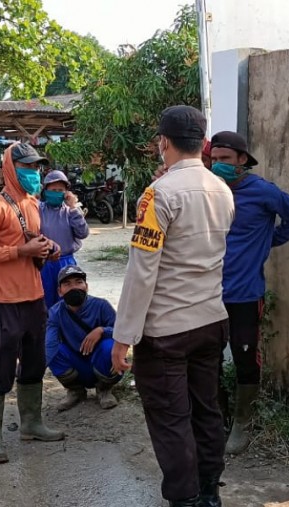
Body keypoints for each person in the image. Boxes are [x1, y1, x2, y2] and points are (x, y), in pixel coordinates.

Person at [111, 106, 234, 507]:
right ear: (204, 144)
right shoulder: (223, 190)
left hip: (166, 332)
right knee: (206, 410)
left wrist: (122, 338)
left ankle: (185, 499)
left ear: (162, 142)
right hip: (211, 321)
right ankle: (210, 493)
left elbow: (141, 273)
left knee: (171, 420)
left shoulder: (158, 194)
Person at [0, 142, 64, 464]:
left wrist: (48, 247)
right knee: (0, 368)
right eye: (27, 167)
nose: (34, 174)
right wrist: (19, 252)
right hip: (5, 300)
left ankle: (31, 423)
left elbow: (32, 243)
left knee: (35, 363)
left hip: (34, 296)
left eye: (37, 167)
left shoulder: (34, 203)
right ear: (12, 168)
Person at [210, 130, 289, 454]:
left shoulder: (263, 192)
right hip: (206, 292)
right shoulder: (209, 190)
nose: (218, 166)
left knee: (245, 357)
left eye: (225, 160)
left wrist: (268, 241)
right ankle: (216, 419)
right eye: (214, 160)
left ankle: (241, 424)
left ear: (242, 160)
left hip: (244, 294)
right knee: (208, 357)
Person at [46, 265, 121, 411]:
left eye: (78, 282)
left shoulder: (101, 305)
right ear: (59, 291)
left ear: (86, 286)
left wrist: (101, 330)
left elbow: (121, 331)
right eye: (67, 284)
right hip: (78, 364)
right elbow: (49, 343)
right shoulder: (55, 312)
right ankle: (76, 391)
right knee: (54, 350)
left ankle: (104, 389)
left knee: (109, 346)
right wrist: (32, 369)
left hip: (102, 363)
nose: (74, 287)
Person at [39, 170, 89, 309]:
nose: (56, 192)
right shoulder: (38, 209)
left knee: (68, 302)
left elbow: (83, 233)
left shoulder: (70, 211)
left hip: (66, 262)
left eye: (60, 190)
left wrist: (73, 208)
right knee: (46, 301)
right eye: (53, 190)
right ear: (45, 190)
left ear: (67, 192)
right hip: (44, 263)